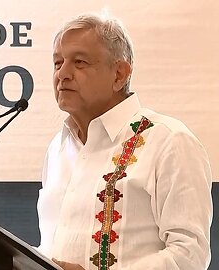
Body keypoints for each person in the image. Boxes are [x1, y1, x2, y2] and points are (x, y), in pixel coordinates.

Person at [36, 12, 213, 270]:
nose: (63, 74)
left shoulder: (169, 141)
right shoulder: (58, 149)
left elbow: (190, 255)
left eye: (80, 62)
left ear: (119, 74)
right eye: (57, 62)